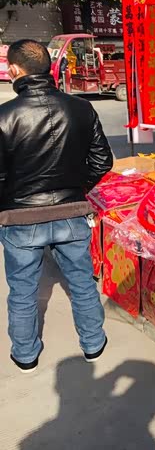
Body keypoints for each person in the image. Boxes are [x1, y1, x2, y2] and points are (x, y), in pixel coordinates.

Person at [0, 39, 113, 373]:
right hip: (71, 212)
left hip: (21, 218)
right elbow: (102, 161)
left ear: (14, 70)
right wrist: (76, 187)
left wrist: (10, 202)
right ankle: (93, 344)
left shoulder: (4, 116)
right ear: (49, 68)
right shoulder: (81, 108)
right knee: (82, 283)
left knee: (23, 292)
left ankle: (25, 356)